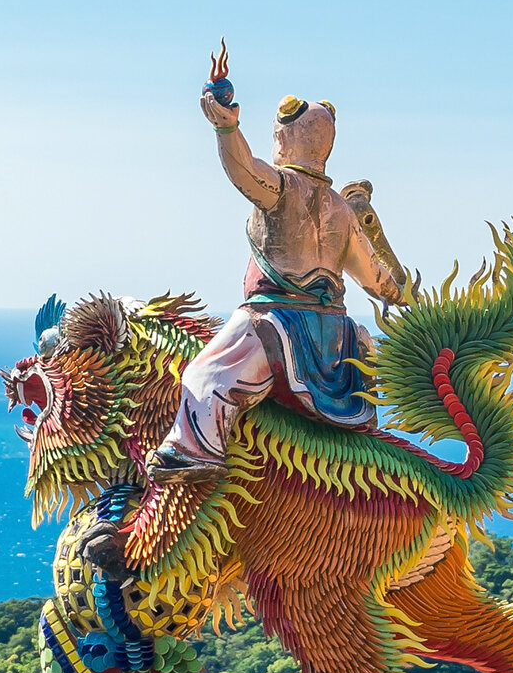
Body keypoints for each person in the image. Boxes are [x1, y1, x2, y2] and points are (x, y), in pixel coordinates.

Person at [152, 52, 406, 479]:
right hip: (337, 339)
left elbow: (243, 170)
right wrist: (398, 291)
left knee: (205, 375)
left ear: (285, 139)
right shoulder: (343, 211)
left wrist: (226, 126)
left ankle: (195, 454)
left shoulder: (284, 188)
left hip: (276, 324)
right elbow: (376, 278)